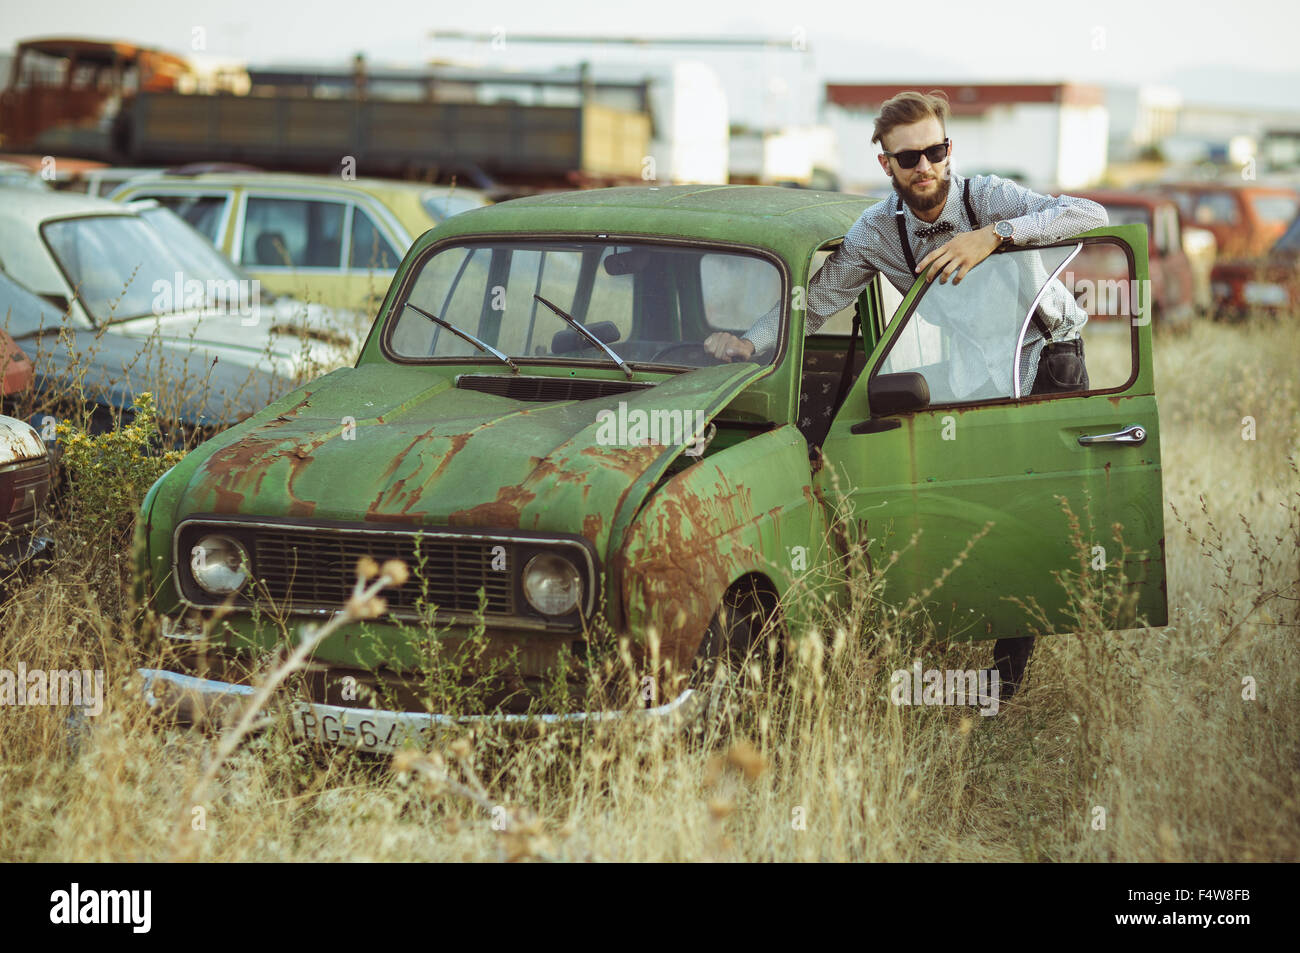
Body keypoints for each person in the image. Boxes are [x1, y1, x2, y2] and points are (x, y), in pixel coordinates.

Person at [703, 89, 1109, 694]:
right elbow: (818, 300)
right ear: (886, 165)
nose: (925, 168)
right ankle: (953, 623)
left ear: (950, 150)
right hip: (974, 360)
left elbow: (1092, 216)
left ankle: (1004, 679)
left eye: (935, 151)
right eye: (908, 158)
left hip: (1046, 350)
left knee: (1029, 498)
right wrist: (750, 340)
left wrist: (993, 236)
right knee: (970, 489)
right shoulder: (875, 231)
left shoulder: (985, 196)